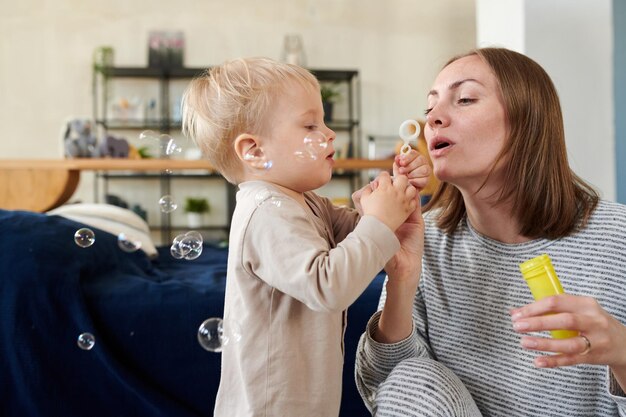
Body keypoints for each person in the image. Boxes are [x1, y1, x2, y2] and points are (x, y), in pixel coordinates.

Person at [355, 47, 626, 416]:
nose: (433, 118)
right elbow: (387, 386)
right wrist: (402, 280)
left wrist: (622, 352)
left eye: (464, 99)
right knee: (413, 380)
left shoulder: (617, 239)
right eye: (429, 108)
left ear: (526, 121)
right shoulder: (424, 240)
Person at [180, 57, 428, 417]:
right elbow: (328, 284)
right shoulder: (265, 211)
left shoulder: (303, 202)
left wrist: (392, 194)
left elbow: (359, 236)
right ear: (255, 151)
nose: (329, 133)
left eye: (324, 121)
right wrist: (379, 220)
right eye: (310, 124)